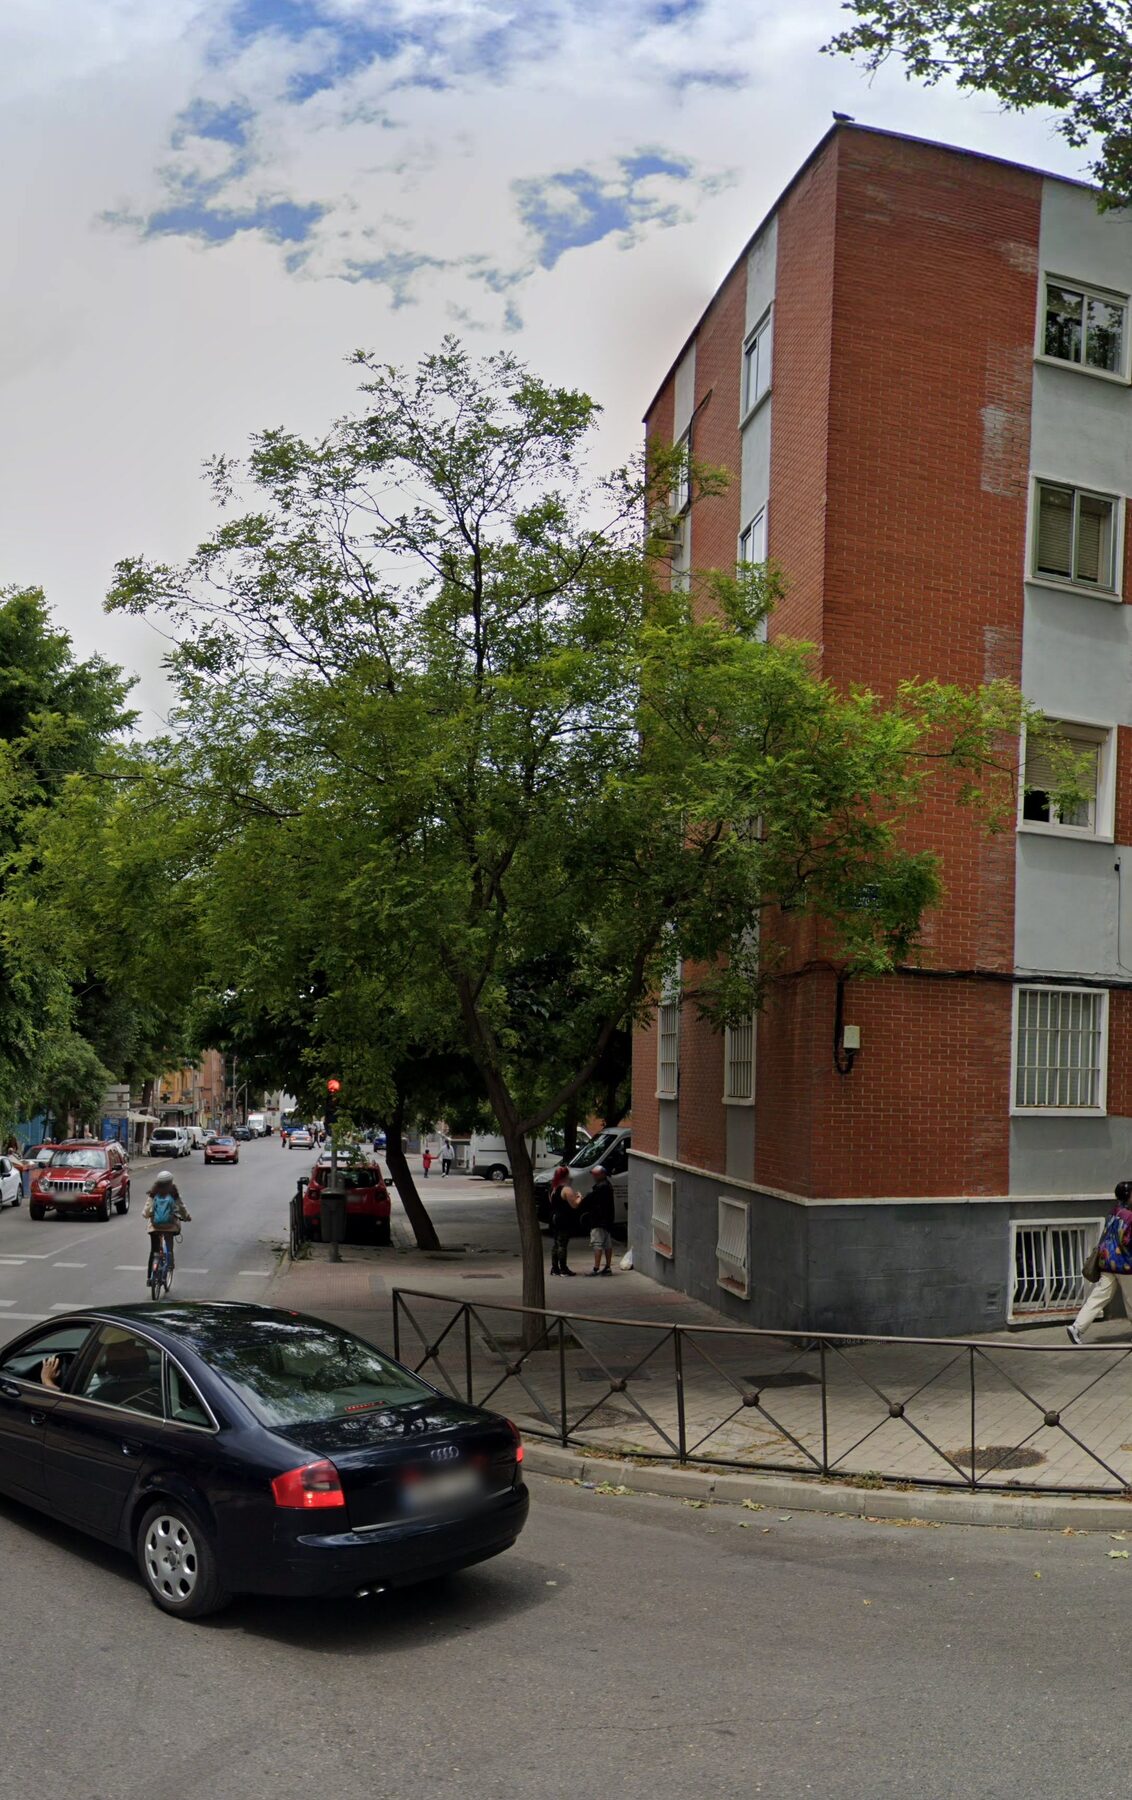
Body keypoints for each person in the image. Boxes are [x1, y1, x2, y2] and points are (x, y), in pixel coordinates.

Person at [1069, 1179, 1132, 1344]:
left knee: (1099, 1296)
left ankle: (1077, 1327)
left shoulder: (1113, 1212)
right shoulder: (1129, 1217)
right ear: (1128, 1196)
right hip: (1125, 1265)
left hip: (1106, 1262)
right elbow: (1128, 1241)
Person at [143, 1170, 192, 1283]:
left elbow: (146, 1211)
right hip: (170, 1226)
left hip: (155, 1227)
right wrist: (187, 1217)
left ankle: (150, 1278)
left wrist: (147, 1215)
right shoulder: (174, 1194)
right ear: (171, 1181)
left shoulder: (153, 1193)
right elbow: (182, 1208)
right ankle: (169, 1265)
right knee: (169, 1248)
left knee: (154, 1251)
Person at [586, 1165, 616, 1277]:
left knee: (598, 1244)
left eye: (595, 1174)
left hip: (599, 1221)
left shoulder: (601, 1188)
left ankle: (596, 1268)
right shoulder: (607, 1185)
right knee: (607, 1244)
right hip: (607, 1220)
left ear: (602, 1175)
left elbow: (591, 1200)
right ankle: (607, 1267)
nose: (593, 1176)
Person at [548, 1167, 578, 1277]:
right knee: (562, 1244)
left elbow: (551, 1202)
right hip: (563, 1218)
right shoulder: (566, 1189)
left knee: (556, 1243)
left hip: (554, 1217)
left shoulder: (553, 1188)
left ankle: (555, 1268)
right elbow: (574, 1205)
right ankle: (563, 1268)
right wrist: (579, 1197)